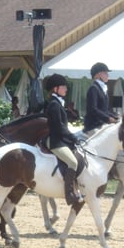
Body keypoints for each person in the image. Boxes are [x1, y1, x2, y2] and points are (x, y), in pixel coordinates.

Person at [44, 73, 83, 205]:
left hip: (60, 139)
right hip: (55, 141)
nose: (66, 88)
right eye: (63, 86)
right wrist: (74, 138)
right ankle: (69, 194)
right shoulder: (54, 105)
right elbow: (60, 128)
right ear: (55, 89)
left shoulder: (58, 103)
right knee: (73, 162)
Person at [83, 62, 118, 134]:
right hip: (93, 126)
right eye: (105, 73)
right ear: (98, 75)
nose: (107, 75)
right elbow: (93, 109)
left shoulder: (102, 89)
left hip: (101, 125)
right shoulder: (93, 89)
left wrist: (116, 117)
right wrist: (108, 118)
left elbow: (105, 110)